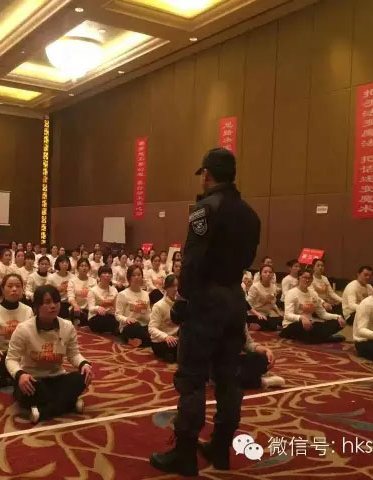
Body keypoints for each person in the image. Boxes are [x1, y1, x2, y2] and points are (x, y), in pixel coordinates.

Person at [150, 147, 260, 476]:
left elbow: (193, 259)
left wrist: (182, 299)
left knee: (193, 379)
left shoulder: (204, 210)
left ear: (207, 175)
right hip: (234, 298)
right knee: (228, 377)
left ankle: (184, 453)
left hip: (206, 301)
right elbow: (248, 258)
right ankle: (220, 448)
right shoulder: (251, 215)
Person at [6, 285, 93, 424]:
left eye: (56, 301)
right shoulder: (23, 329)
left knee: (81, 377)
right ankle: (69, 403)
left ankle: (44, 411)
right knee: (26, 391)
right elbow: (11, 359)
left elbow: (74, 354)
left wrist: (84, 363)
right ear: (36, 307)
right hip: (33, 379)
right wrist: (20, 375)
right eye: (47, 302)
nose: (53, 306)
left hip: (57, 377)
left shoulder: (67, 326)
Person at [0, 273, 33, 389]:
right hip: (1, 354)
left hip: (21, 355)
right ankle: (14, 377)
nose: (14, 289)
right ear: (2, 289)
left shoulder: (28, 310)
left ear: (22, 289)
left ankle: (7, 378)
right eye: (10, 286)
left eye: (18, 286)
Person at [281, 267, 345, 343]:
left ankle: (316, 338)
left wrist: (338, 317)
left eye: (309, 278)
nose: (307, 280)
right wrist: (301, 318)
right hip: (292, 325)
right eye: (305, 277)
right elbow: (288, 315)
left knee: (337, 322)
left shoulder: (313, 293)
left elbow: (322, 314)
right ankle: (325, 338)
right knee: (303, 327)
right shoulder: (291, 293)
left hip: (310, 324)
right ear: (299, 278)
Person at [115, 265, 151, 347]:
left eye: (139, 275)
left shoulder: (146, 294)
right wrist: (127, 319)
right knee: (135, 326)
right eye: (133, 275)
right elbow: (118, 315)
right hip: (129, 326)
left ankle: (136, 340)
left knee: (153, 333)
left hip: (143, 325)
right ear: (129, 278)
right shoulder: (123, 294)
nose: (136, 277)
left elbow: (148, 313)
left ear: (142, 277)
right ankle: (128, 338)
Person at [148, 274, 179, 362]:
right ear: (166, 288)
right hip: (161, 341)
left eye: (177, 286)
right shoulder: (159, 305)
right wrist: (166, 337)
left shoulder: (180, 304)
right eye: (172, 286)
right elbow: (151, 328)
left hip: (176, 338)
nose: (175, 289)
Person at [246, 265, 283, 331]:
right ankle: (249, 325)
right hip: (254, 315)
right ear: (261, 274)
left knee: (283, 320)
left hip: (266, 315)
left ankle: (272, 326)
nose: (268, 274)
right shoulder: (255, 287)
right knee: (264, 322)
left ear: (273, 274)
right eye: (265, 272)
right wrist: (258, 314)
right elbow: (248, 304)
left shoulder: (274, 287)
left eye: (270, 272)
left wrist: (279, 313)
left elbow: (273, 303)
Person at [87, 266, 119, 334]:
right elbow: (91, 308)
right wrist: (98, 308)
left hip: (110, 316)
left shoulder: (114, 290)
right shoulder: (93, 290)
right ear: (99, 276)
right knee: (103, 319)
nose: (107, 275)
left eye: (109, 273)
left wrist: (115, 312)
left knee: (118, 319)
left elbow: (116, 307)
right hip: (96, 316)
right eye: (104, 273)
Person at [68, 258, 96, 326]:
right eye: (82, 266)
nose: (84, 268)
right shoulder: (72, 281)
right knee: (77, 315)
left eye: (86, 266)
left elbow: (95, 297)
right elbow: (70, 297)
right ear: (77, 268)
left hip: (90, 309)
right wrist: (76, 306)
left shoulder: (93, 281)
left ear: (89, 268)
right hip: (77, 308)